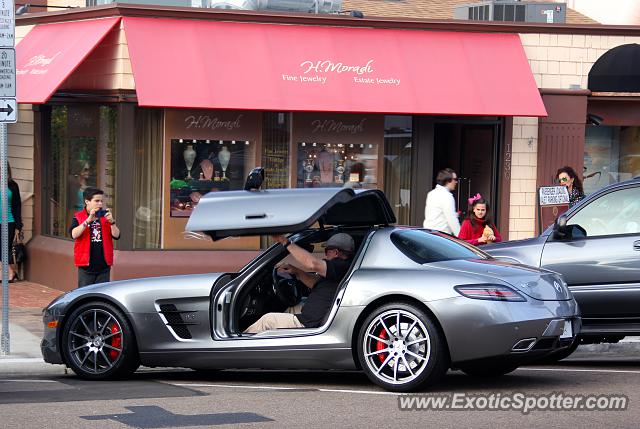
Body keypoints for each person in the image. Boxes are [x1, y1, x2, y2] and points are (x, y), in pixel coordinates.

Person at [244, 232, 355, 334]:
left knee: (267, 320)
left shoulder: (341, 266)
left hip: (307, 324)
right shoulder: (337, 271)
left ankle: (239, 344)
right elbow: (316, 284)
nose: (324, 256)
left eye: (326, 251)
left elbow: (312, 264)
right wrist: (296, 271)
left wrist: (284, 241)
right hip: (309, 316)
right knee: (290, 308)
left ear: (336, 252)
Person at [70, 187, 120, 288]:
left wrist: (112, 223)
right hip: (86, 266)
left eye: (101, 201)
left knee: (102, 295)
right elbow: (74, 234)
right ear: (87, 201)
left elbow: (117, 236)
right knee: (84, 296)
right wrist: (88, 220)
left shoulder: (105, 216)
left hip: (104, 266)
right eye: (97, 201)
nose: (100, 204)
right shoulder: (78, 217)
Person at [1, 163, 23, 282]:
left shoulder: (13, 185)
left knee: (6, 247)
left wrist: (18, 226)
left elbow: (17, 206)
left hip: (9, 221)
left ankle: (9, 273)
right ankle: (11, 272)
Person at [423, 168, 461, 235]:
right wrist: (462, 238)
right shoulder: (447, 196)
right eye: (455, 179)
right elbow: (452, 220)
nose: (456, 182)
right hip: (441, 236)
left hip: (428, 233)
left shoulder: (431, 193)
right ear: (448, 181)